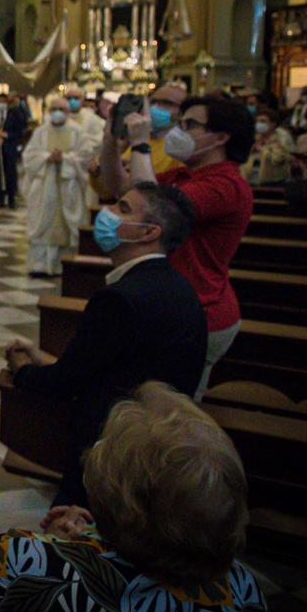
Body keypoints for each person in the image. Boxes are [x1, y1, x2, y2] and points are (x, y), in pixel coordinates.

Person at [0, 383, 276, 612]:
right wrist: (87, 544)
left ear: (119, 502)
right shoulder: (247, 598)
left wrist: (62, 548)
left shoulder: (19, 566)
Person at [5, 184, 206, 505]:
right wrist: (47, 359)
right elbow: (115, 367)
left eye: (123, 209)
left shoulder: (119, 298)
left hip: (106, 451)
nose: (107, 213)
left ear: (149, 232)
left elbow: (64, 384)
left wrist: (23, 371)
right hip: (149, 444)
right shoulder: (175, 287)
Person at [108, 95, 254, 398]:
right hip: (174, 304)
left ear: (222, 136)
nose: (180, 131)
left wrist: (141, 144)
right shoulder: (185, 174)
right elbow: (122, 186)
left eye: (189, 125)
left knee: (167, 410)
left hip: (200, 312)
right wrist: (110, 140)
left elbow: (151, 207)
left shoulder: (226, 185)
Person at [22, 96, 91, 278]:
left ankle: (62, 265)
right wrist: (46, 157)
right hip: (45, 185)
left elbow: (85, 158)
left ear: (68, 113)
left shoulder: (78, 132)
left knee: (66, 225)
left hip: (68, 186)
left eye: (61, 109)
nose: (57, 112)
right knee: (42, 224)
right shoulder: (40, 132)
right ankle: (40, 265)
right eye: (54, 109)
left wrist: (66, 159)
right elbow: (29, 156)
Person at [96, 82, 187, 201]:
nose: (156, 107)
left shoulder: (182, 147)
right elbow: (114, 189)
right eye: (153, 102)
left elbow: (152, 196)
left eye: (167, 103)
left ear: (183, 113)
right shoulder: (134, 138)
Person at [241, 107, 292, 185]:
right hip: (249, 182)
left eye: (263, 121)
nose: (259, 124)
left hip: (271, 183)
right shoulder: (252, 138)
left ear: (273, 124)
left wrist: (263, 149)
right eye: (257, 121)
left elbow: (278, 159)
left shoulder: (280, 139)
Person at [0, 91, 29, 208]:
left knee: (11, 172)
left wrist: (8, 136)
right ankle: (0, 198)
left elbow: (21, 131)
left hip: (10, 146)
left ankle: (11, 197)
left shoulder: (18, 113)